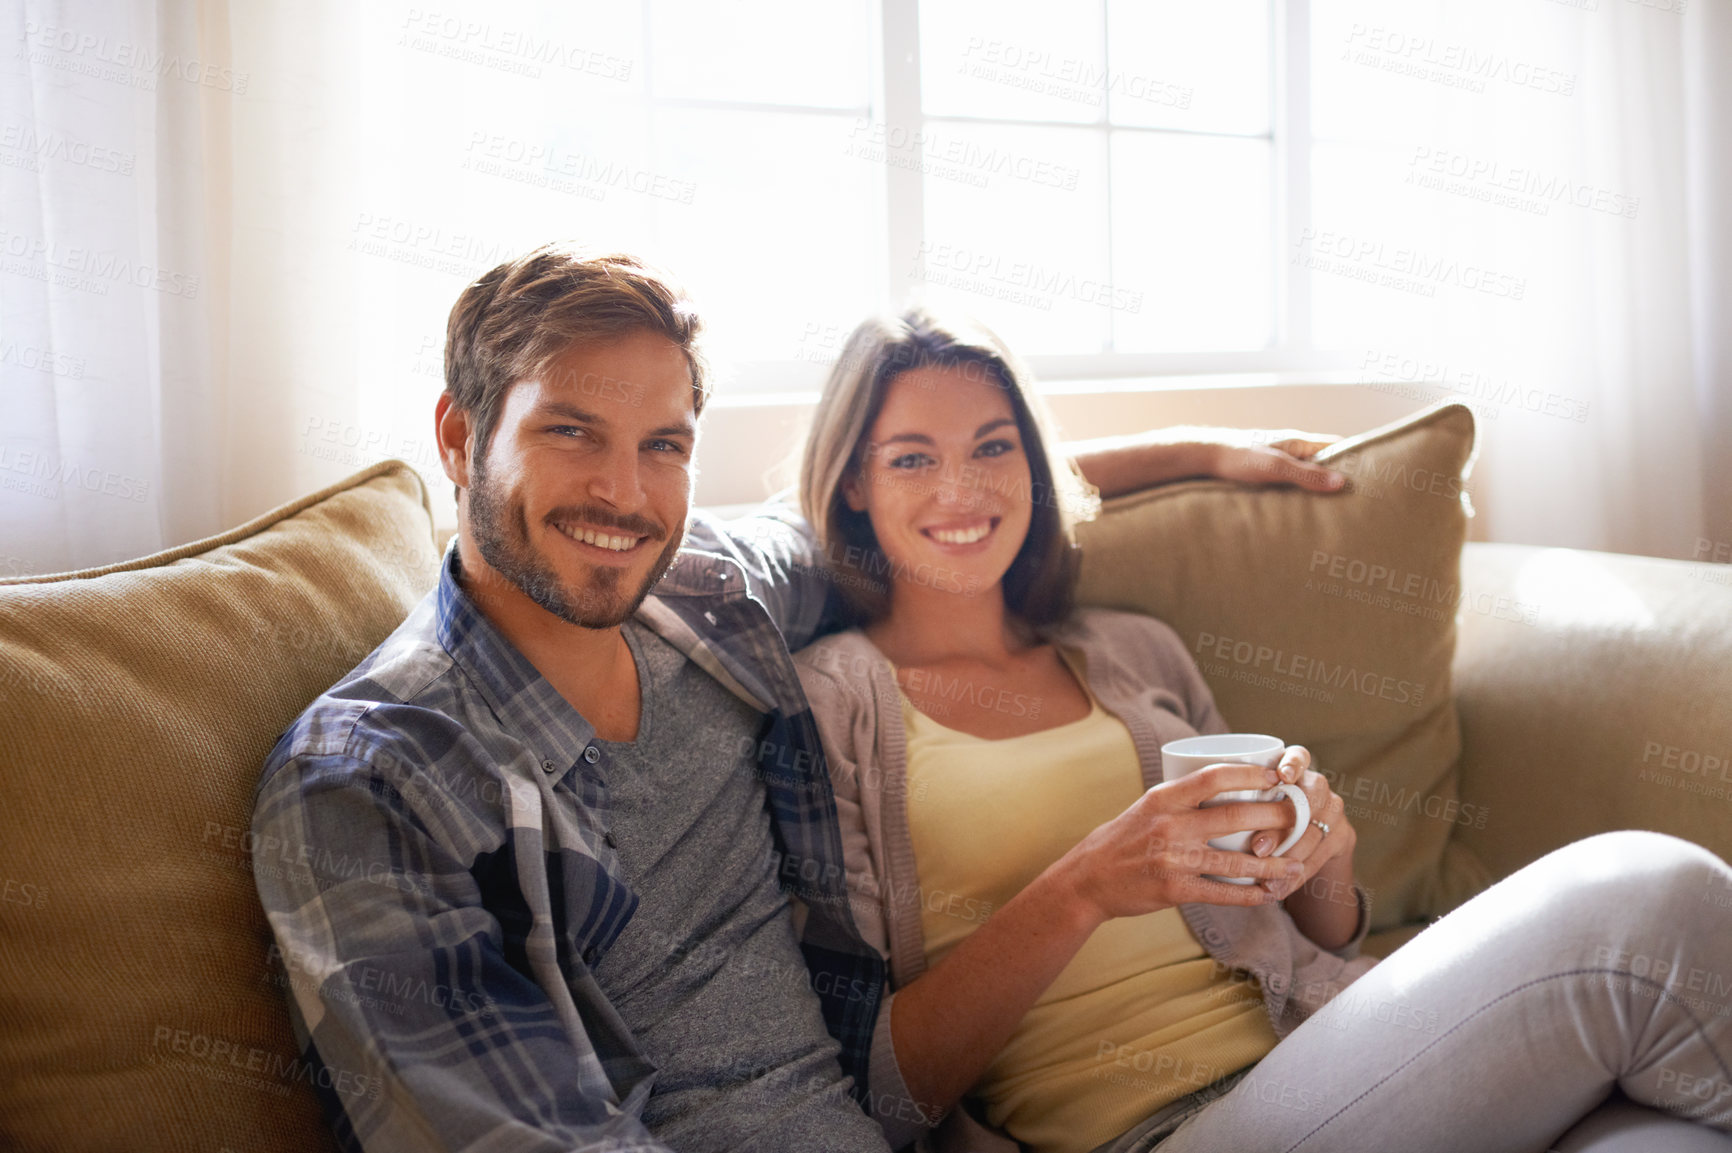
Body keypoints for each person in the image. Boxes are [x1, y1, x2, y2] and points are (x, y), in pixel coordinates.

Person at [247, 243, 1349, 1152]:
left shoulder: (717, 594)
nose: (624, 494)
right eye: (570, 431)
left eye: (663, 445)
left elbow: (938, 499)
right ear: (458, 434)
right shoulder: (369, 777)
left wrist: (1200, 450)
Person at [791, 308, 1732, 1153]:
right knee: (1654, 891)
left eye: (993, 448)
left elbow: (1314, 927)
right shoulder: (828, 705)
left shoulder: (1131, 652)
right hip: (1160, 1127)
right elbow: (879, 1089)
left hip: (1334, 1051)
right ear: (853, 484)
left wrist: (1323, 863)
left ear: (1034, 469)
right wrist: (1086, 885)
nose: (961, 488)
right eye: (912, 457)